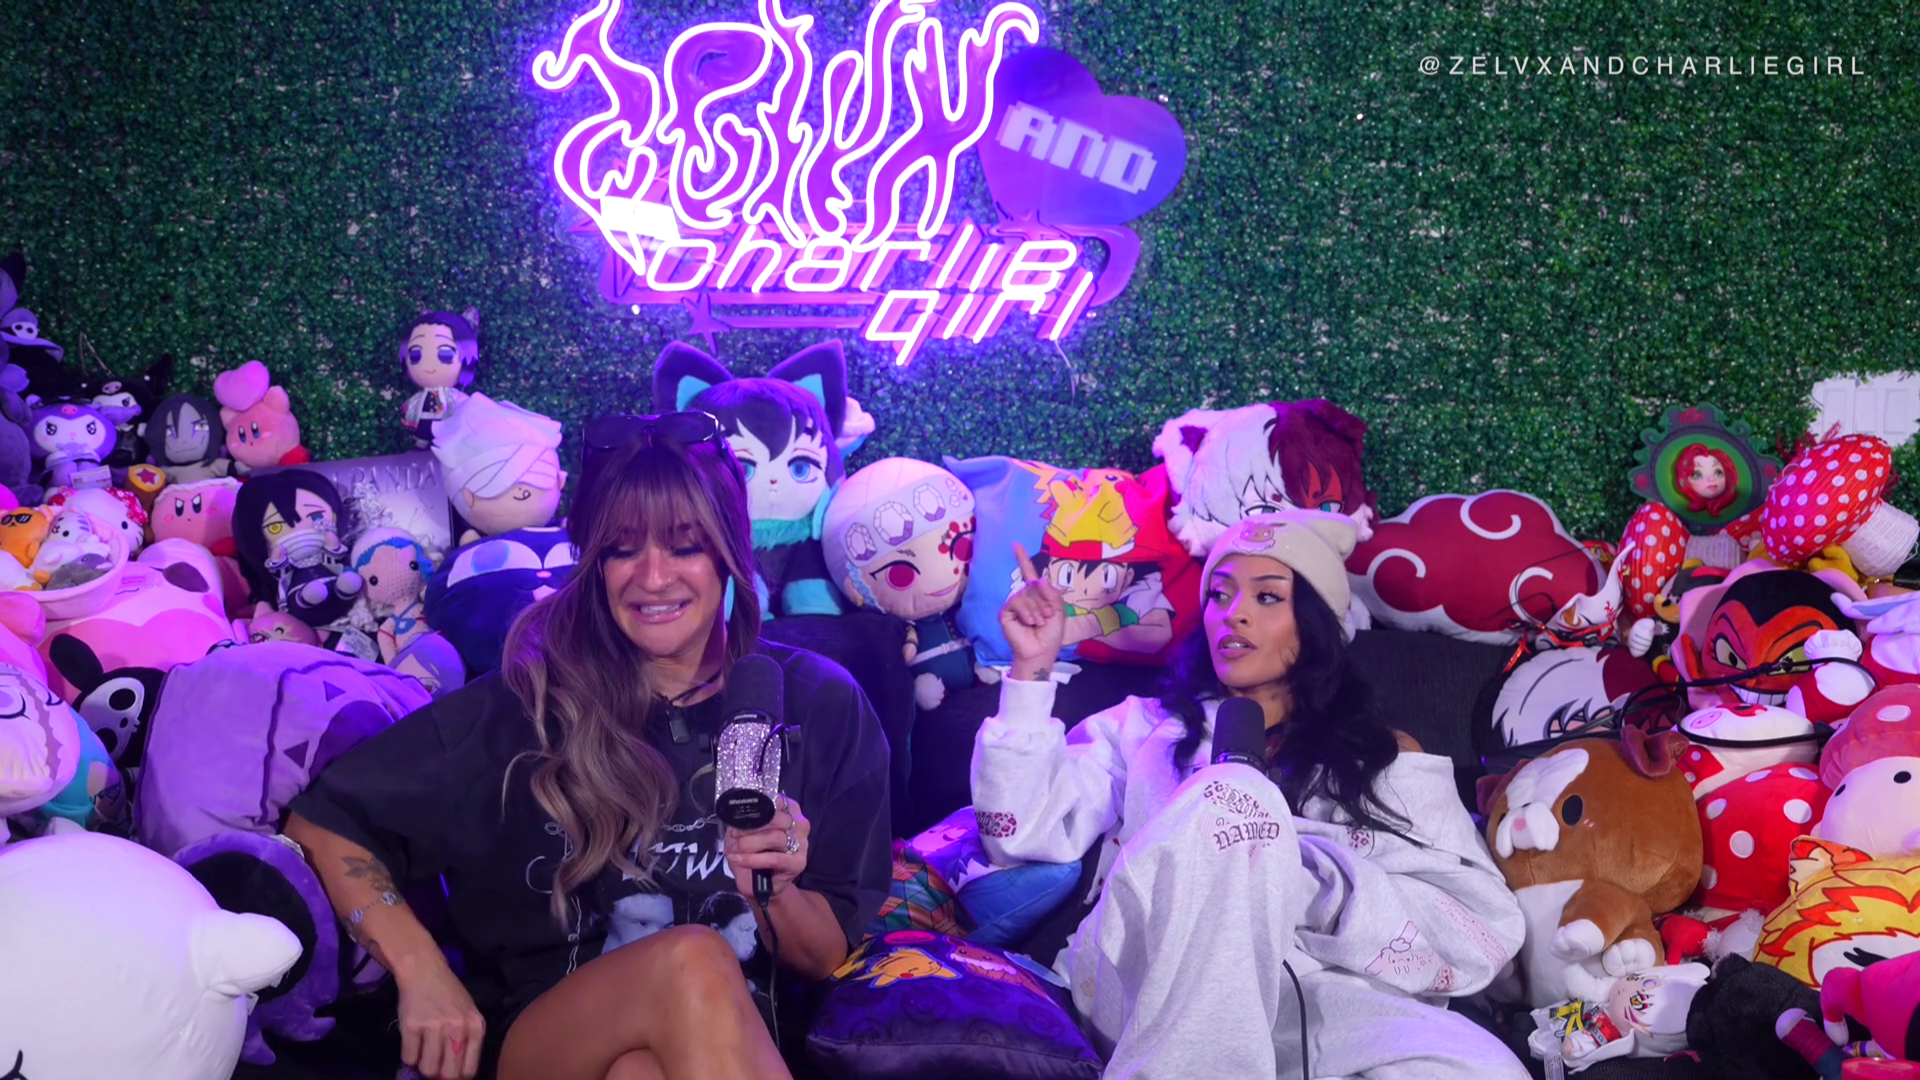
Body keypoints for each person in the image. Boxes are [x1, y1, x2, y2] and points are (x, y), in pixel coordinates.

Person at [284, 410, 893, 1080]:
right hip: (547, 1045)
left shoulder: (818, 703)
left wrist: (770, 889)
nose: (652, 578)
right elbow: (325, 821)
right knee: (690, 959)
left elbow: (824, 956)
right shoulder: (523, 708)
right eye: (622, 550)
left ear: (729, 551)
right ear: (594, 562)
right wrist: (422, 968)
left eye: (685, 546)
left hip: (729, 1051)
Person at [973, 509, 1529, 1078]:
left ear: (1316, 622)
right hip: (1151, 982)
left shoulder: (1383, 757)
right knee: (1237, 792)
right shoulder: (1145, 727)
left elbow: (1478, 926)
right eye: (1219, 594)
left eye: (1266, 597)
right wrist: (1031, 670)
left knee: (1485, 1071)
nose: (1233, 613)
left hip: (1315, 996)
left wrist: (1301, 879)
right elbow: (1020, 833)